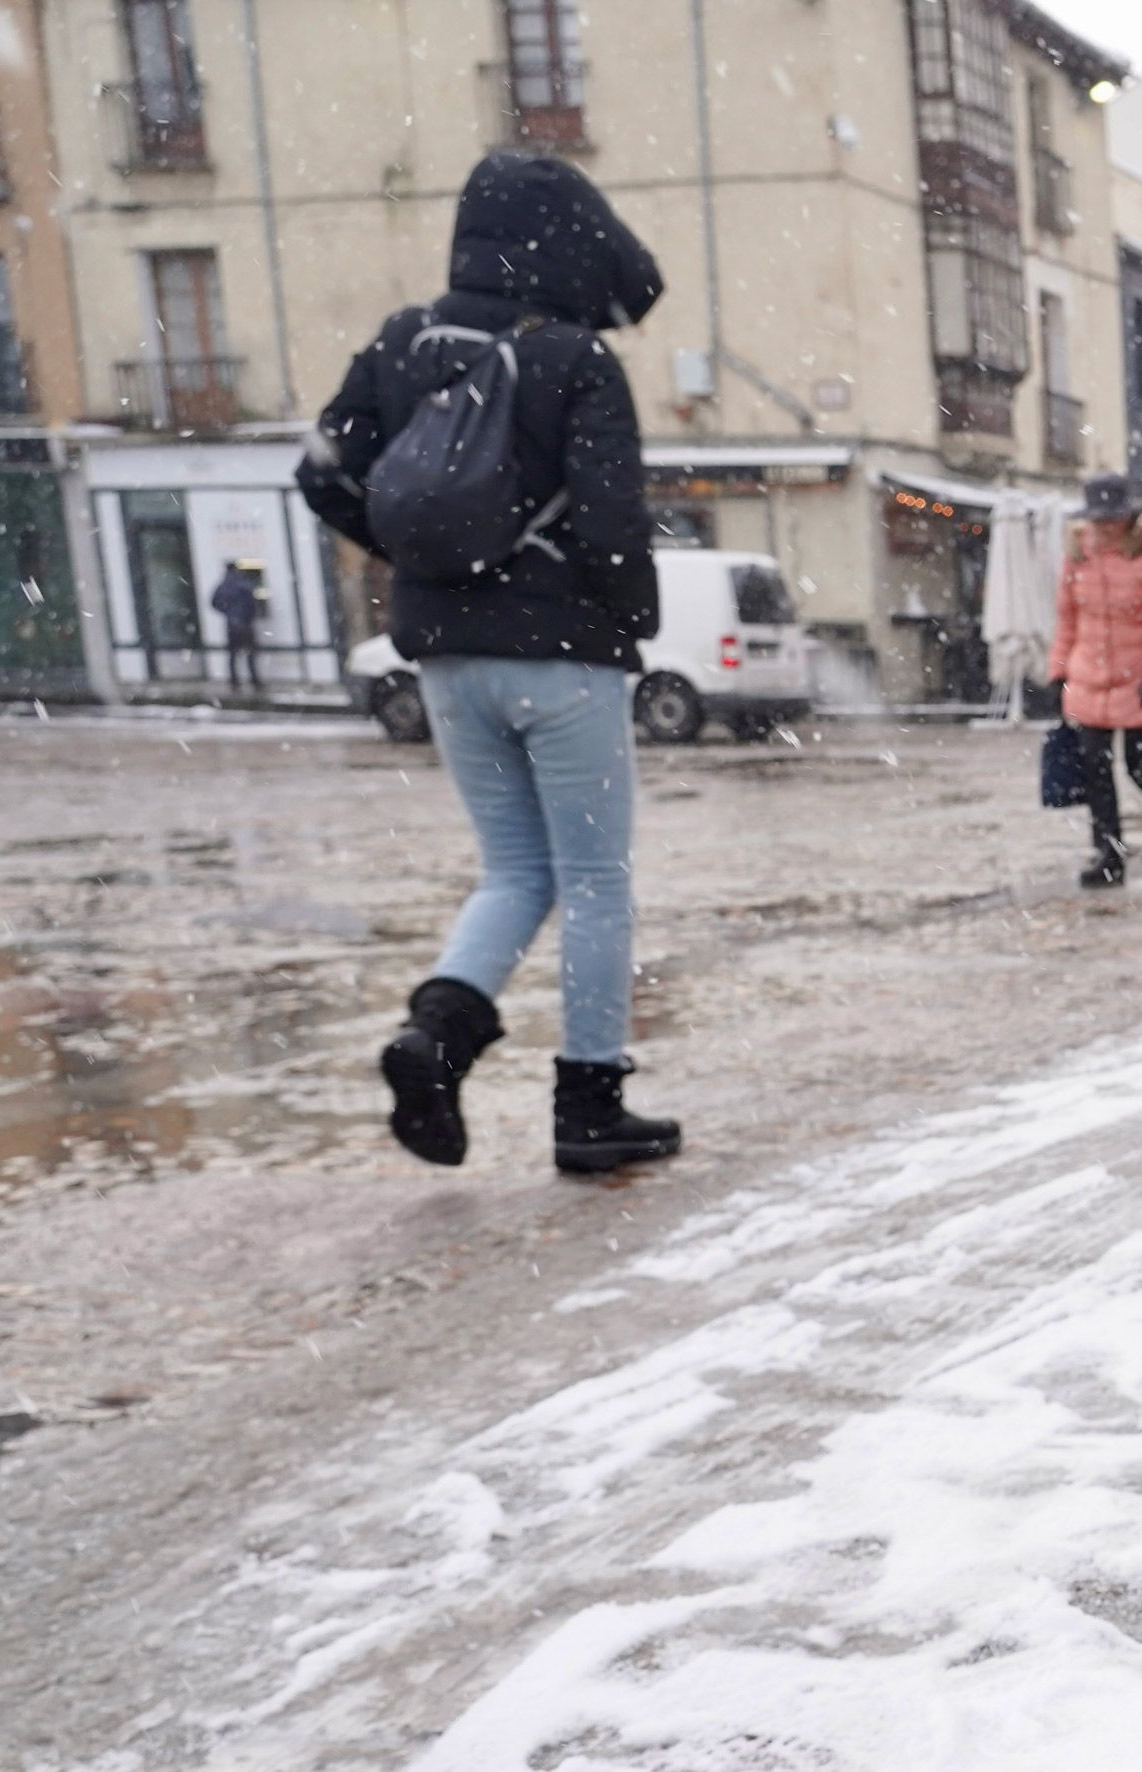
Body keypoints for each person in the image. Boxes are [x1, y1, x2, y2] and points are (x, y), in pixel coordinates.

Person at [300, 151, 681, 1177]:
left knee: (514, 871)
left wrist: (425, 565)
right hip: (562, 659)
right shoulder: (571, 358)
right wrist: (626, 621)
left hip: (445, 659)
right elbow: (612, 525)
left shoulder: (401, 341)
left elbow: (325, 474)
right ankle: (589, 1109)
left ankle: (437, 1038)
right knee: (597, 882)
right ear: (565, 242)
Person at [1048, 470, 1142, 889]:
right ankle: (1108, 855)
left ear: (1129, 518)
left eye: (1112, 519)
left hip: (1139, 681)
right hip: (1089, 679)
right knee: (1095, 770)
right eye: (1098, 519)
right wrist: (1058, 671)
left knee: (1141, 769)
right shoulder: (1077, 557)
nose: (1105, 527)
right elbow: (1067, 620)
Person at [210, 560, 265, 695]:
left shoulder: (223, 585)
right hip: (245, 624)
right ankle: (254, 681)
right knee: (250, 653)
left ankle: (234, 683)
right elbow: (252, 602)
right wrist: (248, 616)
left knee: (233, 655)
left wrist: (228, 612)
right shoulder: (243, 583)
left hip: (231, 624)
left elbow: (214, 603)